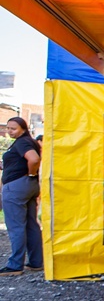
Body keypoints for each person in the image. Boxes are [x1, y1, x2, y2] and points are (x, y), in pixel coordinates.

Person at [1, 117, 43, 275]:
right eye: (8, 128)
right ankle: (36, 262)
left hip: (17, 186)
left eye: (13, 128)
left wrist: (31, 173)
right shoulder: (27, 141)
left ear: (23, 129)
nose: (9, 131)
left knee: (16, 225)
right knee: (31, 224)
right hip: (28, 185)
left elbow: (34, 159)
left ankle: (15, 265)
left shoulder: (22, 142)